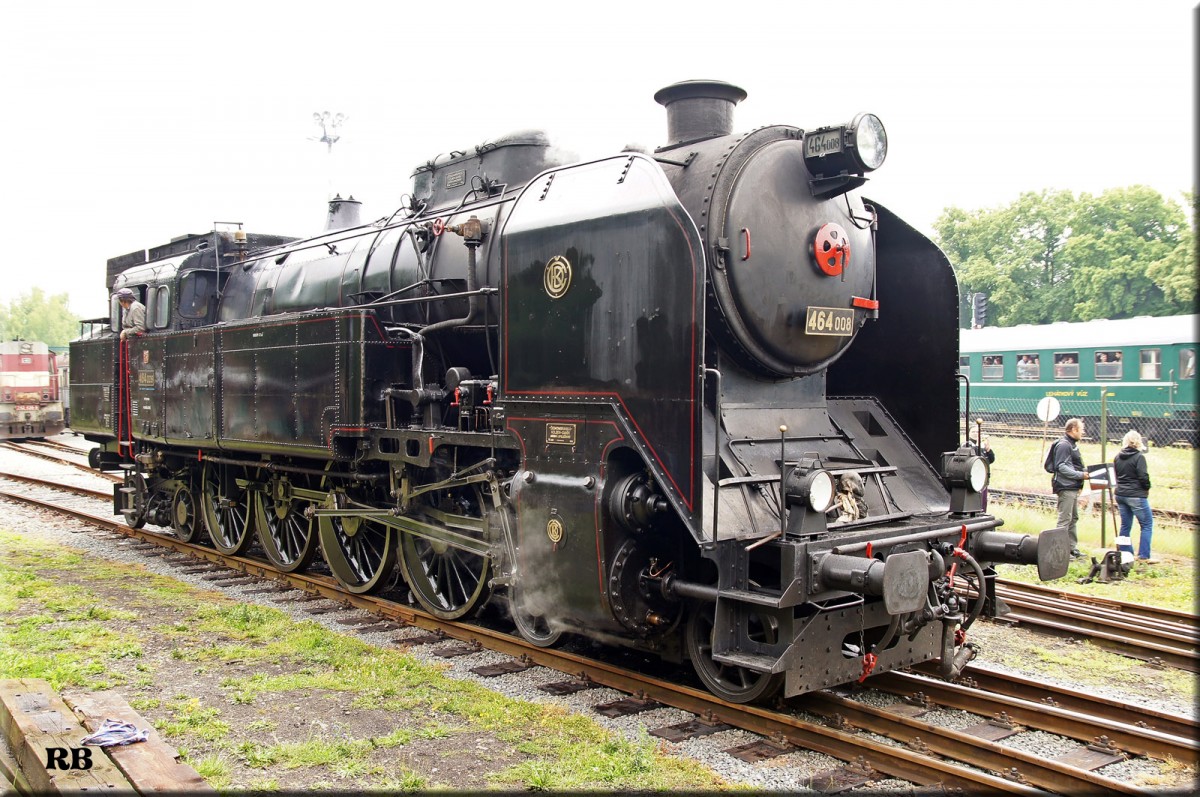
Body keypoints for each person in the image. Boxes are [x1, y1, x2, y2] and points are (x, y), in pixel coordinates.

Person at [1049, 418, 1088, 558]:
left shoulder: (1071, 444)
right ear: (1073, 429)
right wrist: (1081, 475)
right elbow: (1061, 466)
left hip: (1072, 486)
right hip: (1066, 487)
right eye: (1081, 429)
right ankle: (1059, 551)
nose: (1083, 432)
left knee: (1073, 518)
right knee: (1065, 519)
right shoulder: (1064, 445)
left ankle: (1071, 548)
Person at [1114, 430, 1155, 563]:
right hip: (1136, 495)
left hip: (1120, 494)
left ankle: (1126, 555)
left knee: (1125, 525)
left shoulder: (1117, 457)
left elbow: (1116, 475)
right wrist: (1147, 487)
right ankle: (1143, 556)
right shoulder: (1139, 457)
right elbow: (1143, 476)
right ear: (1138, 442)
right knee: (1147, 524)